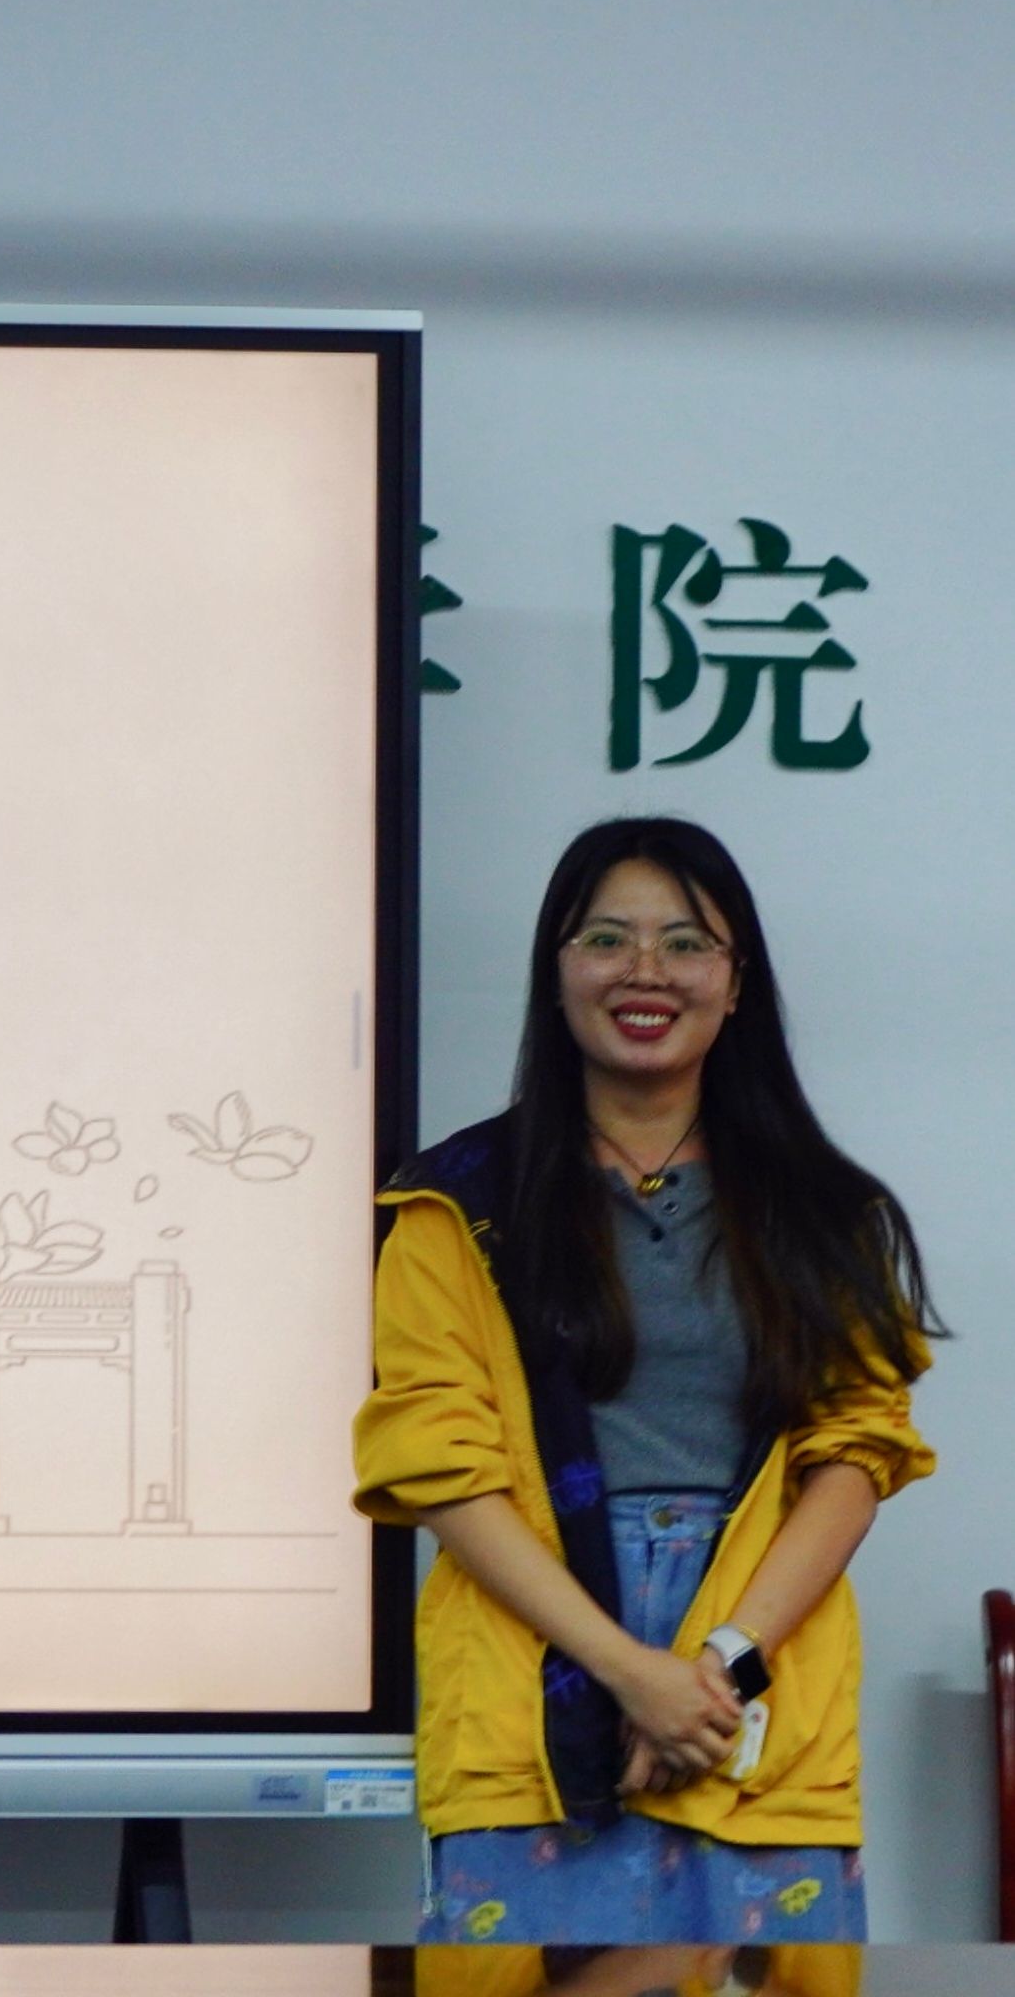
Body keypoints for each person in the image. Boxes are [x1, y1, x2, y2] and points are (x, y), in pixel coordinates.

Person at [355, 816, 939, 1944]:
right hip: (531, 1676)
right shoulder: (452, 1203)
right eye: (605, 939)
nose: (644, 972)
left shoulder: (827, 1211)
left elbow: (856, 1454)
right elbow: (438, 1467)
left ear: (735, 981)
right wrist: (626, 1672)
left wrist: (719, 1668)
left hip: (757, 1694)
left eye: (684, 943)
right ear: (556, 971)